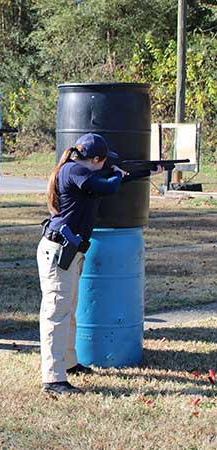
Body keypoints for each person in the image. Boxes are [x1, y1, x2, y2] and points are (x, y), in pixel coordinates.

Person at [38, 133, 162, 395]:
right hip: (59, 250)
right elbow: (110, 186)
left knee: (68, 308)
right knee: (56, 312)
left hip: (69, 250)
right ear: (95, 160)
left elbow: (117, 180)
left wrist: (150, 171)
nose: (107, 166)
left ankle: (69, 363)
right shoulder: (74, 171)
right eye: (104, 162)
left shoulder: (83, 172)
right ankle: (52, 377)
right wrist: (116, 174)